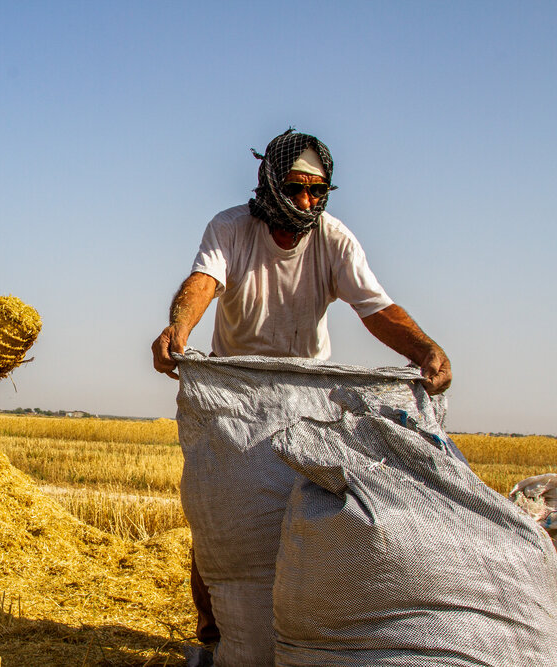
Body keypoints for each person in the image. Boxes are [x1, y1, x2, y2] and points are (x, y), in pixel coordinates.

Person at [150, 129, 451, 652]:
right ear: (269, 183)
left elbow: (375, 308)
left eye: (318, 191)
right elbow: (204, 283)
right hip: (236, 398)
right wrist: (179, 329)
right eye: (295, 189)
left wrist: (425, 350)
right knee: (219, 523)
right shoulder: (231, 229)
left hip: (307, 397)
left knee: (310, 512)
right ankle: (214, 631)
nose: (307, 201)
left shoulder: (334, 239)